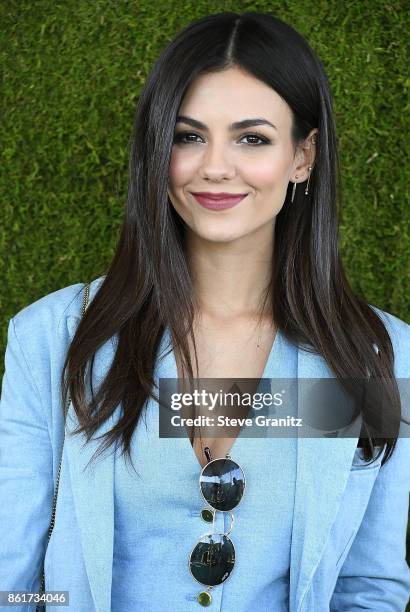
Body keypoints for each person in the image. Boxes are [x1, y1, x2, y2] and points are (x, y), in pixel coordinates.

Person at [0, 10, 409, 612]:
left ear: (302, 157)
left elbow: (368, 590)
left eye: (252, 138)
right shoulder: (54, 339)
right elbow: (16, 582)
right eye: (188, 136)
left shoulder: (374, 355)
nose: (216, 166)